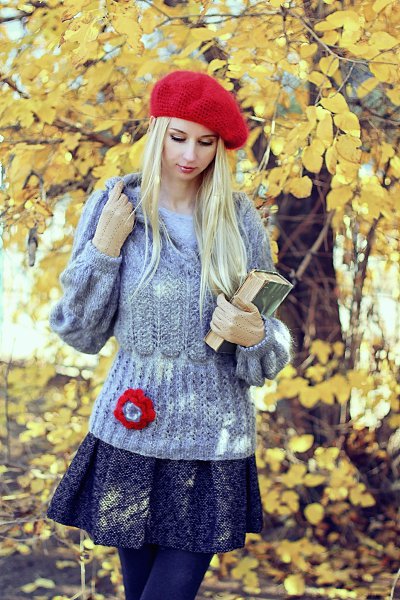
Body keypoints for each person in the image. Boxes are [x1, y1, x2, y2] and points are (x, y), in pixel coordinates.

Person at [46, 69, 293, 600]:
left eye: (206, 142)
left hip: (212, 443)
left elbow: (269, 349)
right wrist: (104, 249)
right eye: (178, 137)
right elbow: (78, 330)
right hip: (130, 436)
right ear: (158, 130)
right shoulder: (116, 205)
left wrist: (255, 335)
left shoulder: (238, 218)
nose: (190, 154)